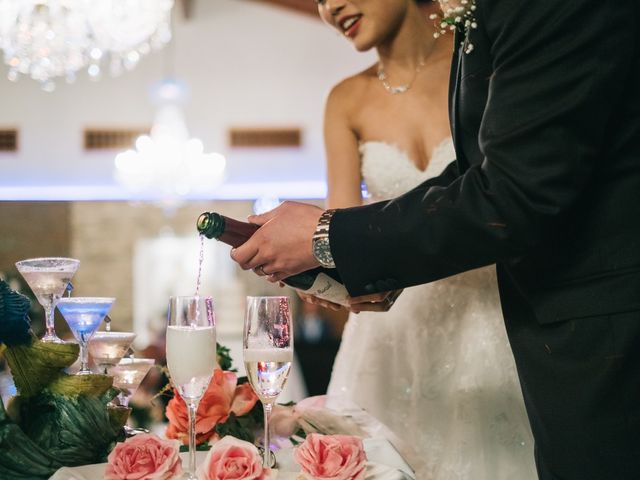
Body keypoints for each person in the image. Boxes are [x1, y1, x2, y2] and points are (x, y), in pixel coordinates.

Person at [231, 1, 640, 479]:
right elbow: (470, 175)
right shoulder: (361, 93)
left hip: (549, 320)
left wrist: (328, 237)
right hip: (405, 325)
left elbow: (510, 192)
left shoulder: (515, 21)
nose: (330, 7)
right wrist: (335, 256)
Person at [302, 0, 536, 478]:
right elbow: (340, 232)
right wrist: (316, 268)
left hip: (493, 320)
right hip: (388, 339)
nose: (330, 8)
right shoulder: (345, 100)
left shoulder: (484, 63)